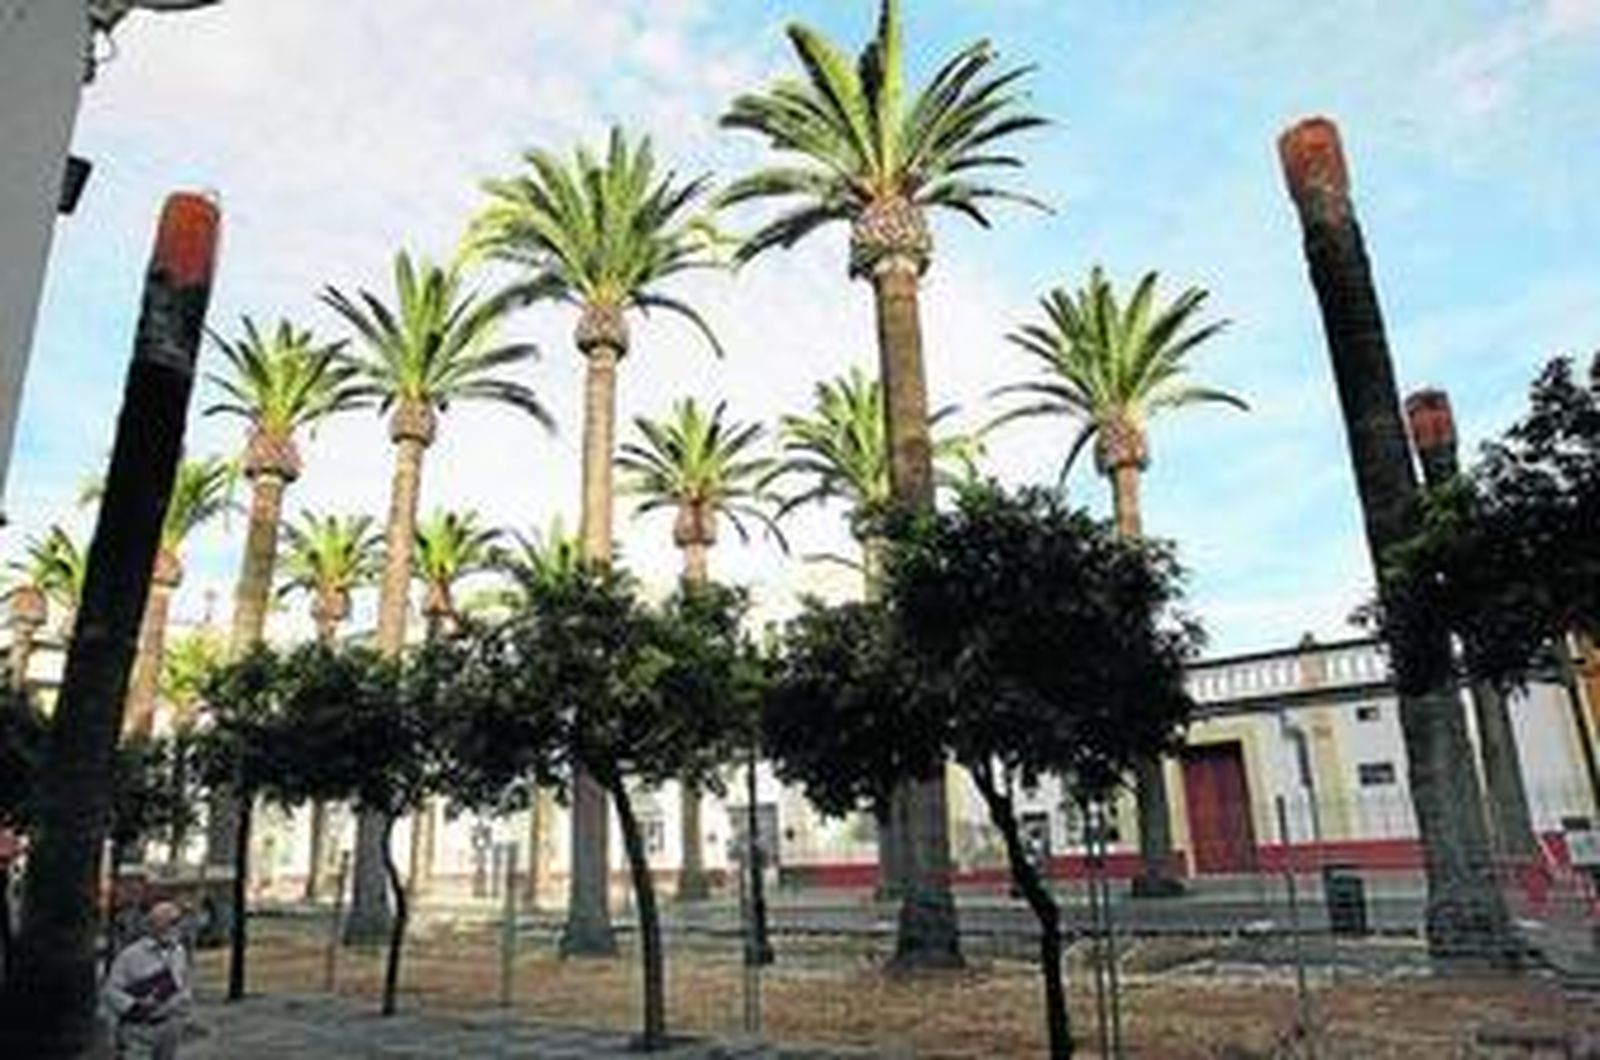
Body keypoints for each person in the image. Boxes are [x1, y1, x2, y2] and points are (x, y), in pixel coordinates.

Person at [104, 900, 192, 1060]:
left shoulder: (179, 951)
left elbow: (184, 980)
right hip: (140, 1029)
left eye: (177, 921)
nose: (177, 927)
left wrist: (183, 1004)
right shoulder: (130, 955)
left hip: (170, 1027)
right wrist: (135, 1005)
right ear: (155, 925)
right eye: (172, 922)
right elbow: (111, 991)